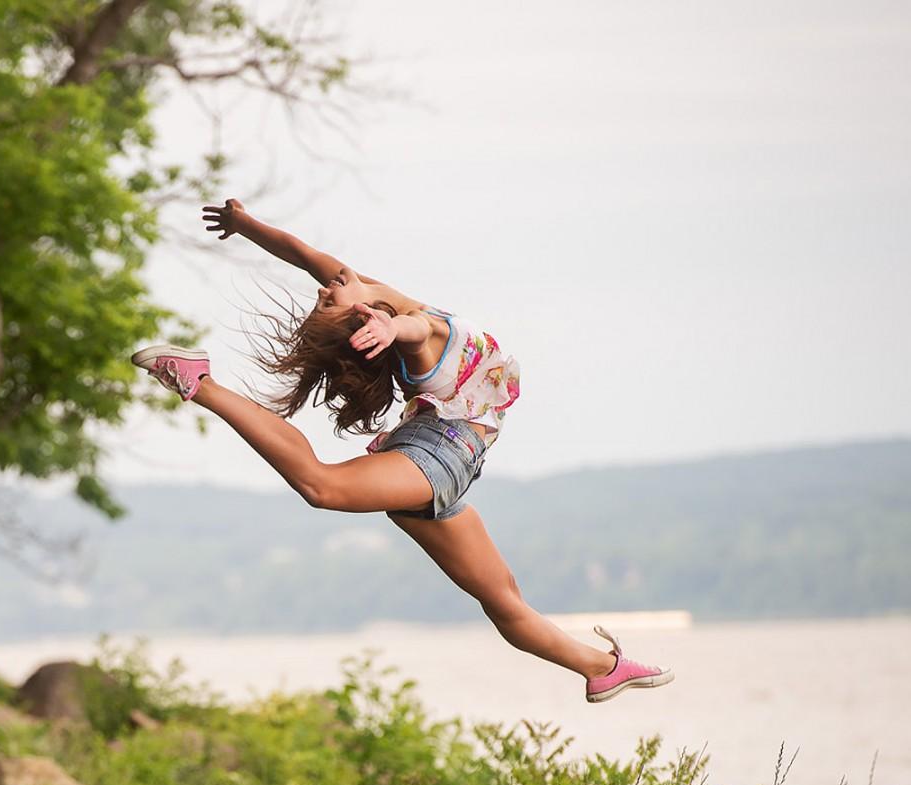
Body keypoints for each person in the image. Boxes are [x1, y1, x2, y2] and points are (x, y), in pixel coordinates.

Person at [131, 199, 672, 703]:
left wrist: (248, 227)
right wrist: (394, 328)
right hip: (438, 456)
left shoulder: (377, 299)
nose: (327, 289)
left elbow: (304, 256)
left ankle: (602, 669)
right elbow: (416, 331)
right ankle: (199, 383)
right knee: (320, 485)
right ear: (364, 323)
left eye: (326, 298)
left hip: (446, 467)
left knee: (504, 601)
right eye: (328, 301)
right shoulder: (414, 332)